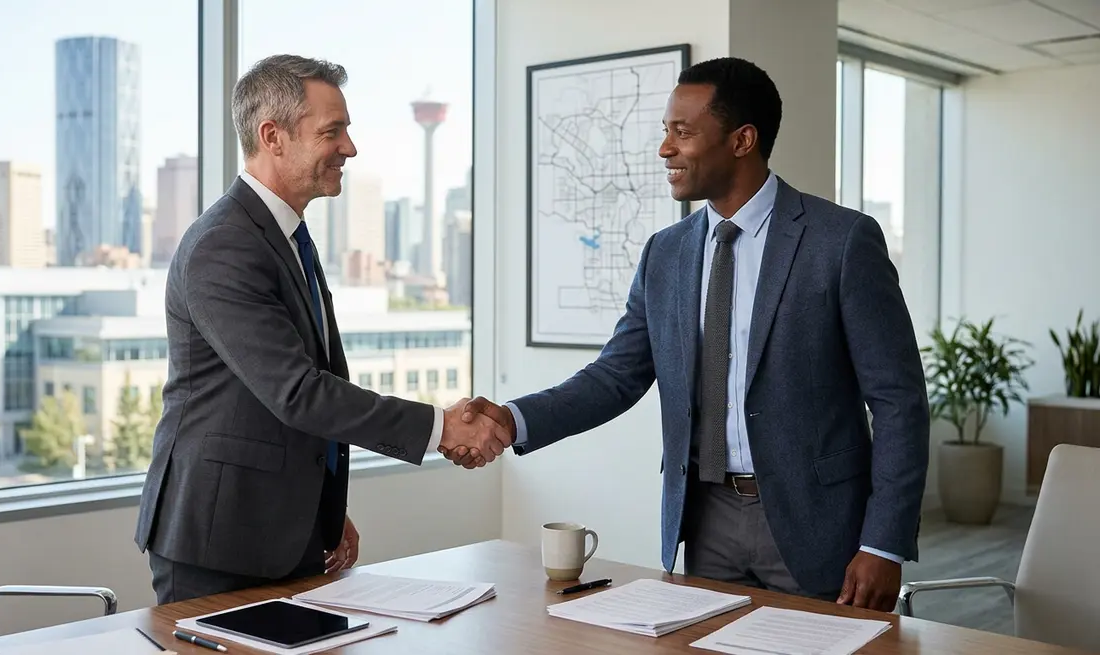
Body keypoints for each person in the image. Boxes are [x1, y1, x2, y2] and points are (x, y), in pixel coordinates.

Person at [448, 57, 928, 610]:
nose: (665, 149)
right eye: (664, 132)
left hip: (817, 525)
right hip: (704, 520)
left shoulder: (841, 241)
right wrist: (513, 419)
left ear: (742, 139)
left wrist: (883, 543)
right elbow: (615, 375)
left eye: (683, 132)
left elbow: (898, 401)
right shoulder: (665, 253)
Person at [134, 54, 511, 604]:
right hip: (220, 539)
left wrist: (323, 508)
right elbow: (298, 392)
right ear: (273, 136)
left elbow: (299, 388)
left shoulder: (285, 237)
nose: (350, 148)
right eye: (332, 132)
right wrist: (441, 428)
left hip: (284, 530)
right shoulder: (225, 245)